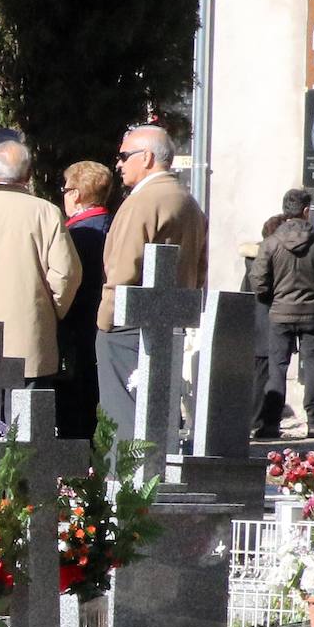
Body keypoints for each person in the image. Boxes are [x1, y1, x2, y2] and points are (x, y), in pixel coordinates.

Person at [96, 125, 208, 441]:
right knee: (159, 413)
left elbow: (122, 268)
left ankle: (127, 485)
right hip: (170, 320)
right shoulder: (187, 201)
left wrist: (106, 320)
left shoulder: (143, 201)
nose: (118, 164)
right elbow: (200, 268)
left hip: (129, 324)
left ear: (146, 157)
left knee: (125, 414)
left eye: (123, 156)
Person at [0, 140, 81, 390]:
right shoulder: (47, 213)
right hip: (32, 334)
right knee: (27, 421)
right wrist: (50, 311)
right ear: (29, 174)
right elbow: (66, 274)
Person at [249, 189, 314, 440]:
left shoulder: (270, 243)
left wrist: (273, 300)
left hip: (280, 314)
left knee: (276, 369)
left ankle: (270, 424)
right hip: (312, 314)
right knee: (313, 368)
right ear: (306, 211)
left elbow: (258, 281)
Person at [55, 161, 114, 440]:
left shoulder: (76, 234)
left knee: (77, 405)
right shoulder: (113, 225)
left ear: (76, 194)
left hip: (76, 326)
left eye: (65, 189)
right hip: (106, 325)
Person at [239, 214, 284, 436]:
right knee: (263, 375)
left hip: (257, 321)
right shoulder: (269, 260)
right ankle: (259, 422)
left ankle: (261, 422)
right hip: (266, 322)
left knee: (263, 374)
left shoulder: (254, 259)